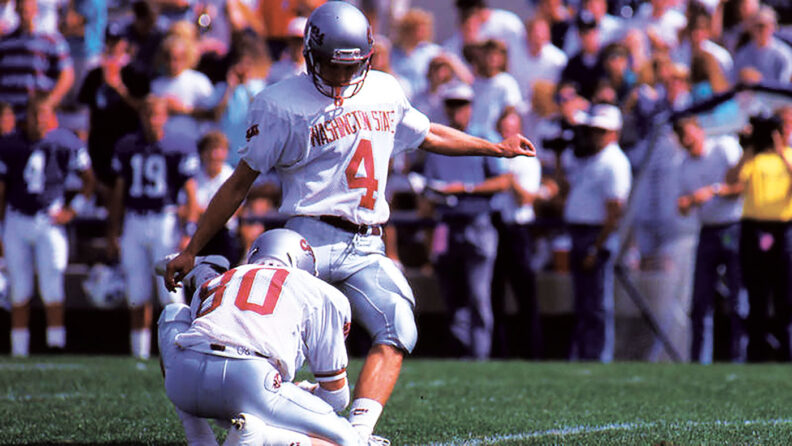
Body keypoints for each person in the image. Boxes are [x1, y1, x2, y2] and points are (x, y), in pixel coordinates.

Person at [164, 2, 535, 441]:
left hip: (366, 243)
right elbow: (238, 184)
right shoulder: (280, 104)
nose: (341, 79)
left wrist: (492, 147)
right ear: (309, 54)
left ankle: (356, 433)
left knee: (400, 327)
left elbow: (428, 133)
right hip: (305, 237)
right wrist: (193, 249)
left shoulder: (384, 90)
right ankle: (246, 411)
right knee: (257, 319)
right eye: (331, 67)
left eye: (351, 67)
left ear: (367, 57)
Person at [158, 229, 388, 445]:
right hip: (251, 381)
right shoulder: (319, 291)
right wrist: (303, 391)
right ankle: (262, 436)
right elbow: (335, 396)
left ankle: (198, 437)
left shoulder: (216, 280)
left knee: (172, 313)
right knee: (351, 440)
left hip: (183, 379)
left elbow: (169, 268)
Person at [0, 96, 94, 357]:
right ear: (26, 117)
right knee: (19, 287)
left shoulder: (65, 142)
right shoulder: (9, 144)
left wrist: (72, 210)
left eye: (44, 114)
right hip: (17, 219)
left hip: (49, 220)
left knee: (52, 282)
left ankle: (55, 344)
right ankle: (19, 349)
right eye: (34, 114)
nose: (39, 120)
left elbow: (89, 181)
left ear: (52, 117)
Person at [423, 82, 511, 360]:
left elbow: (504, 180)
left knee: (478, 296)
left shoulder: (484, 136)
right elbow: (429, 184)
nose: (456, 110)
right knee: (452, 296)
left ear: (470, 107)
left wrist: (466, 188)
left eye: (461, 104)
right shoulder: (438, 142)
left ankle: (480, 356)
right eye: (451, 104)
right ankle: (462, 355)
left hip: (477, 222)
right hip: (447, 223)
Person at [108, 94, 199, 360]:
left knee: (171, 292)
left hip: (165, 220)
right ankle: (139, 354)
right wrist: (114, 228)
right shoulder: (126, 146)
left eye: (156, 114)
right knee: (136, 292)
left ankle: (179, 351)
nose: (151, 119)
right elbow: (119, 191)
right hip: (135, 220)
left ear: (165, 116)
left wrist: (188, 231)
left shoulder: (178, 146)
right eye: (147, 113)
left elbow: (191, 194)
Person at [557, 104, 631, 362]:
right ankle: (586, 352)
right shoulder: (592, 158)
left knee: (597, 302)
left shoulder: (614, 162)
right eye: (593, 130)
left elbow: (614, 212)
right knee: (584, 301)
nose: (595, 135)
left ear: (614, 133)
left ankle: (599, 354)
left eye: (601, 130)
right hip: (581, 233)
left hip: (595, 235)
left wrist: (596, 247)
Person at [674, 116, 746, 364]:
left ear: (699, 130)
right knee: (700, 300)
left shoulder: (723, 148)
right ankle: (699, 361)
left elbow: (741, 185)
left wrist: (714, 190)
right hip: (707, 230)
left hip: (733, 227)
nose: (686, 139)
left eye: (688, 132)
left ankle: (739, 357)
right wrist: (687, 203)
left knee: (738, 299)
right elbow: (682, 206)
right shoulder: (684, 165)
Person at [725, 113, 792, 361]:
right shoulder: (754, 158)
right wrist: (747, 148)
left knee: (785, 294)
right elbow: (731, 180)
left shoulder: (788, 157)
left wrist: (781, 151)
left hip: (783, 229)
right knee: (756, 293)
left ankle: (787, 352)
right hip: (753, 228)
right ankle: (756, 354)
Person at [0, 0, 75, 123]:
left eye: (29, 5)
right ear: (16, 9)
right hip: (9, 119)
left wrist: (48, 104)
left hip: (36, 119)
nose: (25, 8)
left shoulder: (52, 40)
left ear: (36, 9)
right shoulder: (5, 42)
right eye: (21, 4)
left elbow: (67, 75)